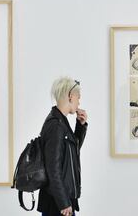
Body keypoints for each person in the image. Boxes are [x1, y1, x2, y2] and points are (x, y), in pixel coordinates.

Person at [37, 77, 88, 216]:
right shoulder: (56, 125)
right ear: (71, 96)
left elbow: (71, 153)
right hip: (58, 204)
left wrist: (81, 126)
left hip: (61, 200)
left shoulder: (60, 121)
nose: (79, 102)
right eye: (78, 97)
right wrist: (63, 202)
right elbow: (53, 168)